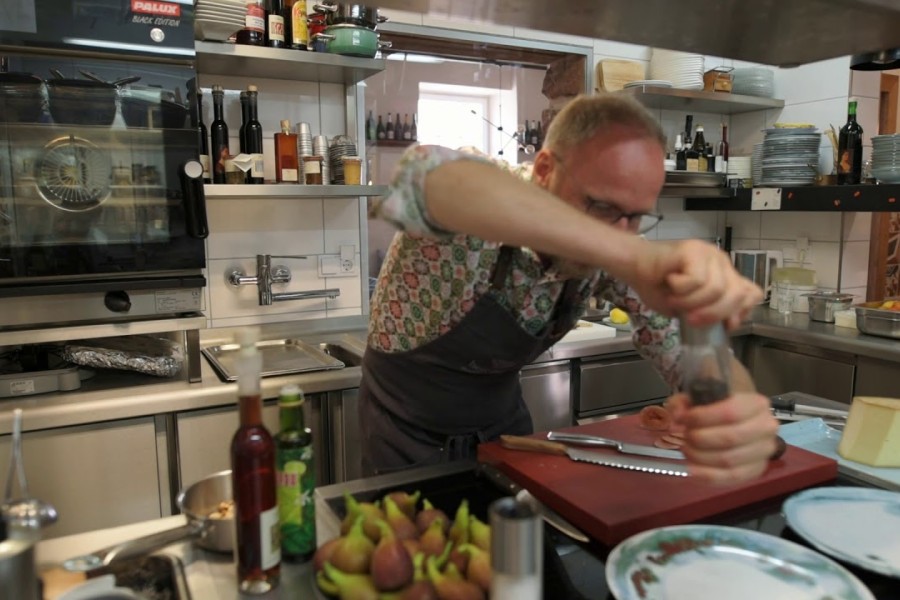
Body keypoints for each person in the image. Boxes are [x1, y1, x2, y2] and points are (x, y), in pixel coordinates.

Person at [360, 93, 777, 485]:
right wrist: (632, 256)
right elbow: (421, 177)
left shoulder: (619, 251)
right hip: (404, 436)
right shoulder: (476, 200)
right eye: (601, 206)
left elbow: (688, 351)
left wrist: (728, 407)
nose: (620, 231)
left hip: (502, 430)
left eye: (635, 217)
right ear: (543, 170)